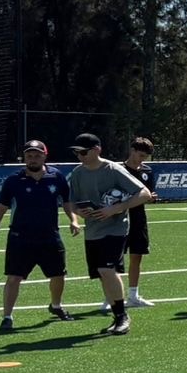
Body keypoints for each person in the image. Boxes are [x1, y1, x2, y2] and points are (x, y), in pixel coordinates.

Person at [0, 139, 81, 333]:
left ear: (45, 156)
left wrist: (74, 220)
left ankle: (56, 306)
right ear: (24, 158)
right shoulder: (13, 181)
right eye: (29, 155)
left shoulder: (57, 177)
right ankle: (7, 317)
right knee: (13, 278)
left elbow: (67, 201)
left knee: (59, 275)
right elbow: (0, 209)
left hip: (50, 236)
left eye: (37, 155)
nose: (33, 159)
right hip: (20, 237)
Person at [66, 132, 156, 336]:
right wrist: (79, 213)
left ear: (97, 150)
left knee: (108, 270)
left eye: (83, 152)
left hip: (116, 229)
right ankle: (117, 317)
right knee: (101, 274)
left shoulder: (113, 169)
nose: (80, 156)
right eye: (77, 152)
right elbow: (72, 201)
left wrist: (114, 209)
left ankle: (123, 316)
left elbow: (144, 194)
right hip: (93, 230)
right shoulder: (78, 173)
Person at [103, 137, 159, 311]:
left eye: (145, 157)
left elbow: (148, 194)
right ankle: (110, 298)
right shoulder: (118, 170)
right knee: (113, 259)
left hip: (139, 219)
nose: (141, 159)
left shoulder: (147, 171)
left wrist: (151, 199)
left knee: (137, 256)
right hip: (118, 219)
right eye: (140, 155)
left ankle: (133, 295)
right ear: (132, 150)